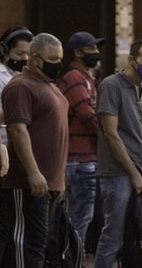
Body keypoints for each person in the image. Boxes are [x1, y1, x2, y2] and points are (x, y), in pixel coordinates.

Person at [0, 33, 69, 267]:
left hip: (50, 182)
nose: (57, 63)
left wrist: (59, 178)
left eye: (60, 58)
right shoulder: (21, 86)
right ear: (35, 59)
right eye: (52, 58)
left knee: (40, 243)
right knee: (25, 243)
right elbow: (18, 129)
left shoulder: (49, 87)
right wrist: (33, 172)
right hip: (27, 182)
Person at [93, 39, 142, 268]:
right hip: (118, 173)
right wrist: (134, 175)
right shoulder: (112, 85)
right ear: (132, 60)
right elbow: (111, 134)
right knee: (114, 237)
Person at [58, 31, 104, 241]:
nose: (96, 53)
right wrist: (109, 134)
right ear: (77, 52)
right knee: (80, 216)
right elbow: (86, 113)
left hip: (86, 158)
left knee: (81, 215)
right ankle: (72, 259)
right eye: (91, 48)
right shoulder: (74, 77)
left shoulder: (87, 78)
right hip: (79, 159)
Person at [0, 27, 33, 179]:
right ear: (5, 52)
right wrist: (21, 113)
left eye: (28, 54)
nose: (24, 58)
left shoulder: (27, 76)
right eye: (19, 54)